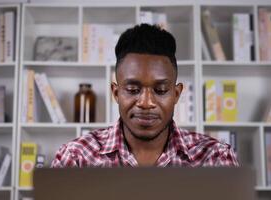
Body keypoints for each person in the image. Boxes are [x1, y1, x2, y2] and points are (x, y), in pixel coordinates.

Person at [51, 24, 238, 167]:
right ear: (116, 93)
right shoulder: (77, 157)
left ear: (176, 94)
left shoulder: (215, 158)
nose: (146, 103)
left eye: (161, 90)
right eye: (133, 90)